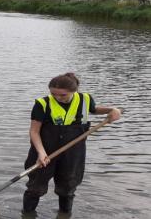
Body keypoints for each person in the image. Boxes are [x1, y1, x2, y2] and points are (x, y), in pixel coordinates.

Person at [22, 73, 121, 216]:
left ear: (75, 91)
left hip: (73, 154)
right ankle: (27, 214)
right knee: (35, 188)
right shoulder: (42, 104)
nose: (57, 98)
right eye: (53, 94)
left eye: (62, 95)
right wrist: (41, 152)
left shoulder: (85, 99)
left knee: (67, 188)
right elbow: (34, 132)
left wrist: (113, 110)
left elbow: (94, 110)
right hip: (45, 153)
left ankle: (64, 214)